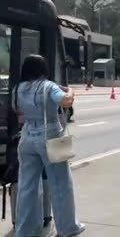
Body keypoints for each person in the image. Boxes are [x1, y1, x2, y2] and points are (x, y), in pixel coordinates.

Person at [13, 55, 84, 237]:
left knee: (27, 186)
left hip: (27, 137)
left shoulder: (18, 89)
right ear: (43, 69)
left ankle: (25, 231)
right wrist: (70, 92)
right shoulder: (48, 86)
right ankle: (68, 227)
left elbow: (17, 109)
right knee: (60, 183)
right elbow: (66, 101)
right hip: (50, 136)